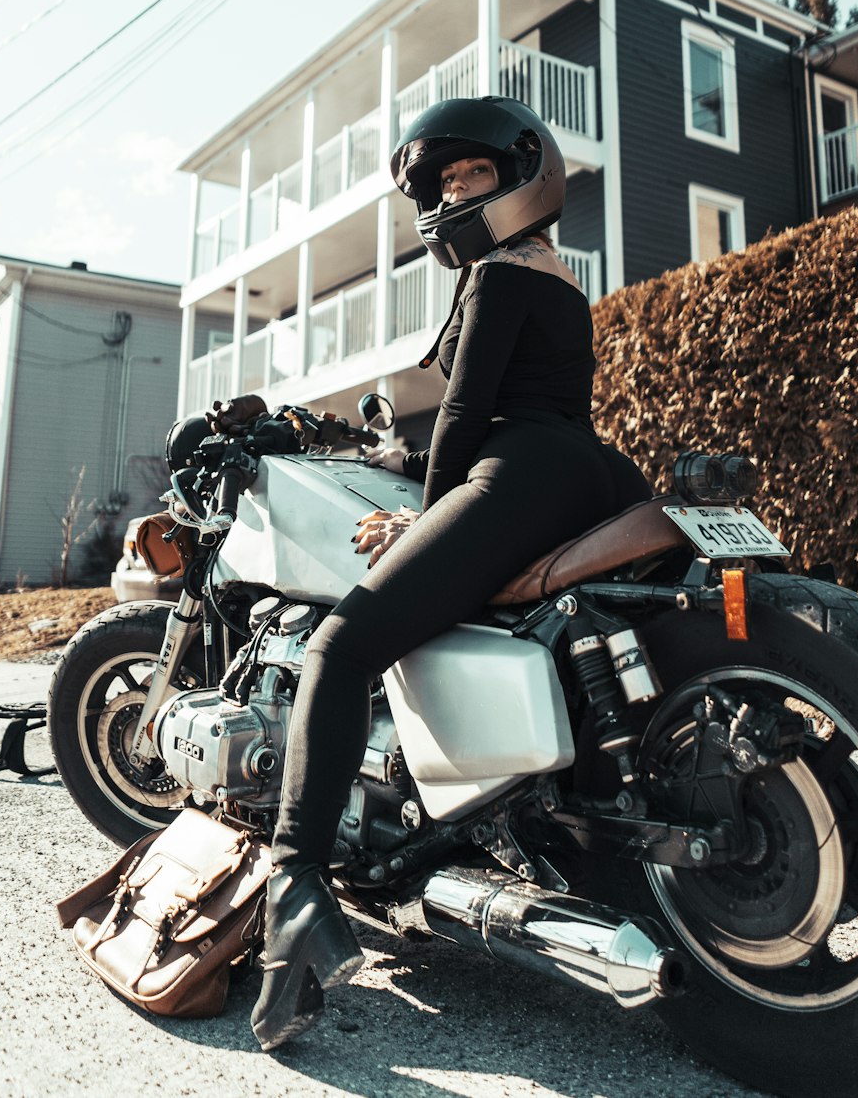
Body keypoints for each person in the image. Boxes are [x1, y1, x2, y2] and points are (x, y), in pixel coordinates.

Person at [219, 96, 651, 1051]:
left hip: (517, 472)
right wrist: (415, 484)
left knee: (339, 646)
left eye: (472, 176)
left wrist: (421, 512)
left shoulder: (496, 277)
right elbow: (527, 411)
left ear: (521, 180)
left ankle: (294, 890)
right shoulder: (563, 283)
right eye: (444, 180)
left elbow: (464, 420)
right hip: (588, 471)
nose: (455, 193)